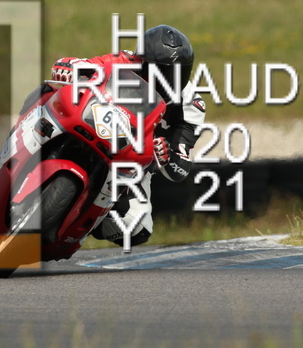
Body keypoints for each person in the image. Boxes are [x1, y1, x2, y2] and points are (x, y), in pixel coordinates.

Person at [50, 25, 206, 247]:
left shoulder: (191, 106)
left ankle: (84, 220)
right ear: (142, 61)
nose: (167, 80)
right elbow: (86, 65)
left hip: (132, 163)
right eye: (158, 71)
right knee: (48, 93)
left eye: (177, 73)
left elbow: (181, 168)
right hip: (91, 125)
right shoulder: (125, 60)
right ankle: (11, 156)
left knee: (136, 229)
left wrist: (166, 157)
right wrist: (67, 66)